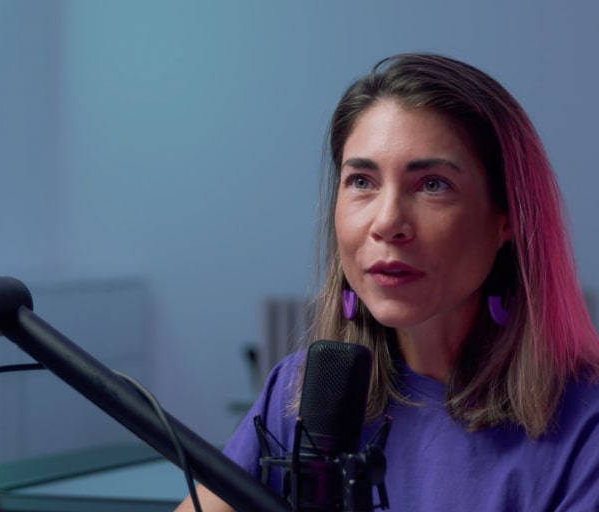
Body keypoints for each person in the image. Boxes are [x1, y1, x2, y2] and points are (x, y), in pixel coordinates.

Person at [175, 53, 599, 511]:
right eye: (361, 181)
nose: (387, 222)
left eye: (433, 185)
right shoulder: (304, 392)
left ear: (507, 217)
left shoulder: (586, 427)